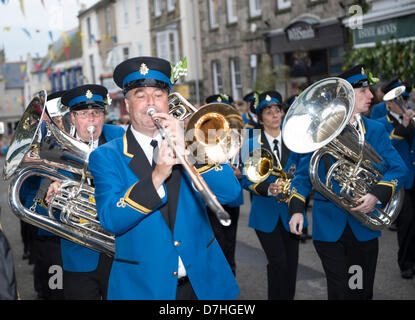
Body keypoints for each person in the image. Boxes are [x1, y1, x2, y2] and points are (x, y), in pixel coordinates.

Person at [88, 56, 241, 300]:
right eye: (140, 95)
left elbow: (231, 194)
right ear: (127, 105)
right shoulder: (106, 156)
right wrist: (157, 176)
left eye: (158, 95)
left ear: (167, 101)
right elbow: (111, 219)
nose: (151, 103)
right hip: (143, 288)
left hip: (203, 284)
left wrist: (192, 151)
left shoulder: (192, 145)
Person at [288, 65, 408, 300]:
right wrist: (296, 210)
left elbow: (398, 168)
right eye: (363, 91)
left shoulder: (376, 129)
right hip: (329, 227)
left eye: (369, 91)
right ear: (345, 96)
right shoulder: (321, 131)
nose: (372, 96)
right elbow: (303, 176)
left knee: (360, 291)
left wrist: (376, 194)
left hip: (363, 227)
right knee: (339, 290)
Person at [46, 84, 125, 300]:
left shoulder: (120, 139)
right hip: (79, 253)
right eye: (83, 114)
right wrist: (54, 192)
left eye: (96, 113)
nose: (91, 120)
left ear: (103, 116)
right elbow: (45, 200)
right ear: (73, 118)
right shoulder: (60, 149)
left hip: (122, 251)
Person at [240, 90, 305, 300]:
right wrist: (267, 189)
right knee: (278, 263)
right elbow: (245, 180)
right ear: (260, 118)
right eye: (269, 112)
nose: (275, 115)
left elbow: (304, 173)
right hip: (265, 215)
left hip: (291, 212)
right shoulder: (250, 141)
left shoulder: (295, 140)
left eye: (278, 111)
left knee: (292, 265)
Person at [376, 77, 415, 279]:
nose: (404, 103)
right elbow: (385, 149)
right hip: (400, 181)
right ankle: (406, 262)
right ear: (389, 102)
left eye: (405, 99)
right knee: (406, 224)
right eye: (399, 99)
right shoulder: (381, 124)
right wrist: (404, 125)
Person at [204, 93, 243, 275]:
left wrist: (240, 173)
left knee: (229, 242)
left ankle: (230, 278)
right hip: (208, 196)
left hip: (232, 198)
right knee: (213, 242)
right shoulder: (201, 135)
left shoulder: (240, 134)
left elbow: (252, 163)